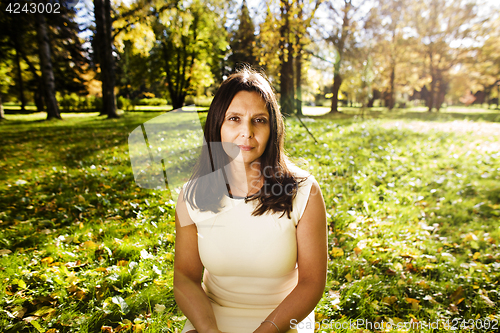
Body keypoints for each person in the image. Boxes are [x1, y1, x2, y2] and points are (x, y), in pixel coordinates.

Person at [174, 68, 327, 333]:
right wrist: (208, 330)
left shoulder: (304, 192)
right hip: (211, 316)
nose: (247, 132)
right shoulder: (192, 195)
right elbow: (185, 278)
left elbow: (311, 283)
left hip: (283, 320)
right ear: (217, 125)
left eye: (259, 120)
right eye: (234, 118)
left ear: (273, 128)